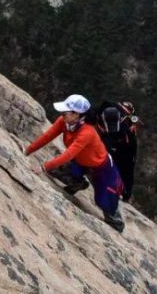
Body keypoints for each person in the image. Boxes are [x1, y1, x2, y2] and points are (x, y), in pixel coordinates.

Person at [25, 94, 125, 233]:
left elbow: (69, 154)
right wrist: (28, 151)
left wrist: (43, 167)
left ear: (76, 114)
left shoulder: (87, 132)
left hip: (101, 167)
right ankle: (78, 183)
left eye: (66, 111)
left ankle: (116, 224)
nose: (62, 113)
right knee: (55, 170)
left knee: (104, 201)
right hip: (80, 161)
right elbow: (47, 136)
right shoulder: (64, 121)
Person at [95, 101, 139, 202]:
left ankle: (120, 190)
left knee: (115, 164)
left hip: (121, 143)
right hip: (126, 145)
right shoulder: (124, 120)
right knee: (126, 169)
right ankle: (125, 192)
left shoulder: (107, 109)